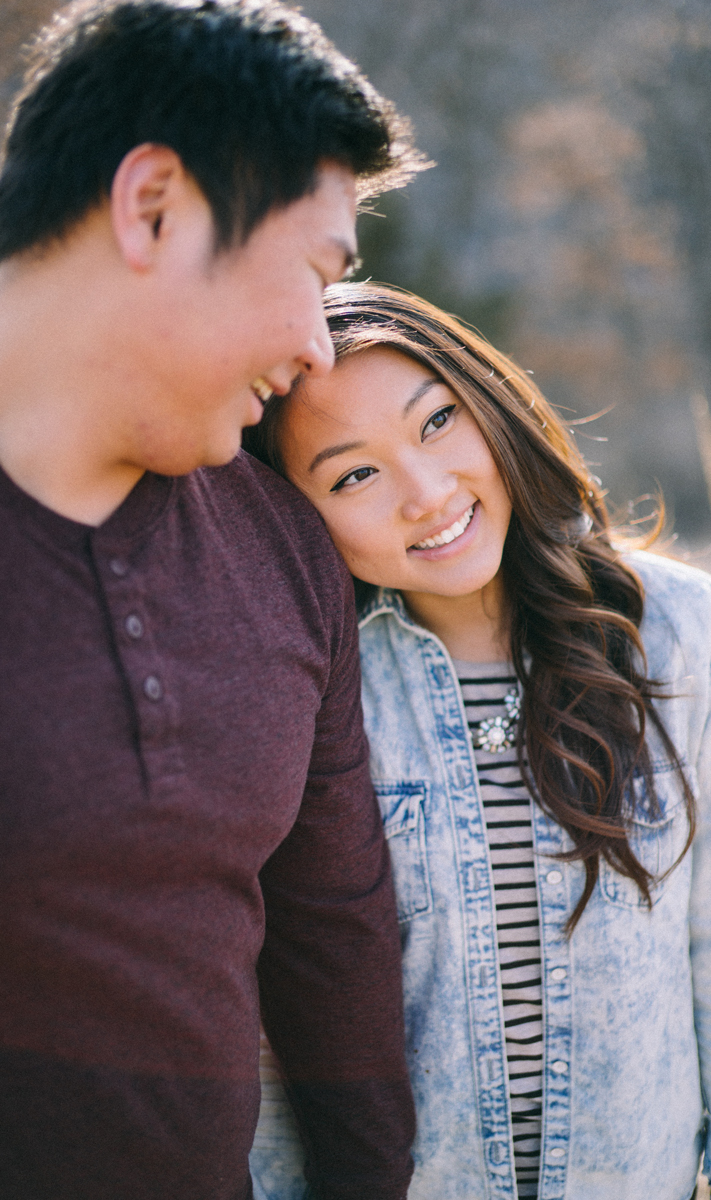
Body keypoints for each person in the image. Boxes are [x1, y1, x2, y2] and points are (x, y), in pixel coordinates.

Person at [244, 282, 711, 1200]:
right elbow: (284, 1000)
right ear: (296, 516)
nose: (427, 494)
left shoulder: (675, 627)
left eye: (437, 423)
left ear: (490, 400)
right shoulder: (312, 686)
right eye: (353, 475)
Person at [0, 6, 428, 1198]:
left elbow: (331, 935)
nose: (320, 349)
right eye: (315, 273)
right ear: (152, 208)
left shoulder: (279, 546)